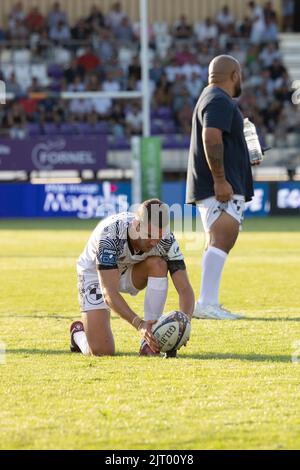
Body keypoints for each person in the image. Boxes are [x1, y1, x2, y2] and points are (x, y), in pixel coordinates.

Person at [70, 199, 195, 357]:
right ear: (136, 226)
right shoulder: (111, 235)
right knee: (102, 351)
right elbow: (109, 292)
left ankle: (150, 342)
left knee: (158, 264)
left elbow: (184, 288)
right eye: (149, 235)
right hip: (95, 274)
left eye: (159, 236)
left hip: (130, 271)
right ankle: (79, 334)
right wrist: (139, 324)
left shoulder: (166, 240)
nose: (154, 241)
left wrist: (184, 324)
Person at [186, 55, 257, 320]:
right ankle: (207, 303)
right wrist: (219, 179)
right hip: (218, 186)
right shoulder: (218, 99)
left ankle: (208, 301)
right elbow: (211, 136)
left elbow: (219, 140)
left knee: (219, 240)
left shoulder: (212, 97)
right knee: (222, 238)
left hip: (219, 182)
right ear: (235, 74)